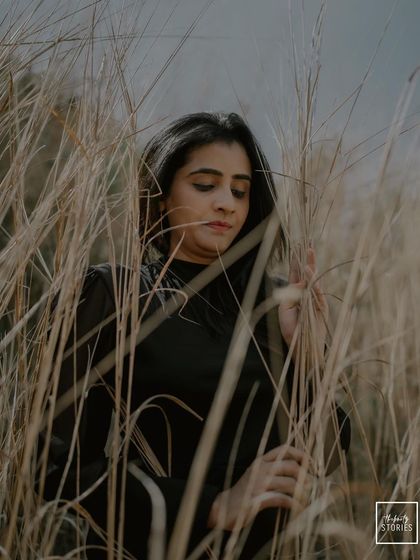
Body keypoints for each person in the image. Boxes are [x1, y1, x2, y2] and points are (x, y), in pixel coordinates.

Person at [41, 112, 350, 559]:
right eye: (206, 185)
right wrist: (214, 506)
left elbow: (325, 458)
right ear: (162, 194)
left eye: (240, 191)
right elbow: (53, 468)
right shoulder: (112, 294)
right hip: (155, 548)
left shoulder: (281, 301)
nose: (226, 202)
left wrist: (310, 362)